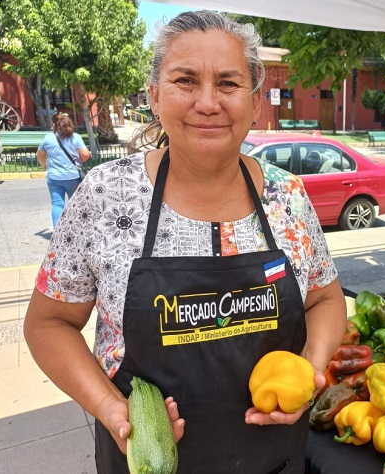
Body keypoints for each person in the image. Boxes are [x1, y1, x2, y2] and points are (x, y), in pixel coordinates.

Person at [24, 10, 347, 474]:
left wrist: (309, 373)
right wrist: (112, 409)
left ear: (255, 102)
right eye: (186, 80)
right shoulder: (105, 194)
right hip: (147, 459)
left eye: (230, 83)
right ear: (154, 96)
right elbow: (48, 324)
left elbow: (327, 300)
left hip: (273, 459)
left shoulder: (288, 198)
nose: (209, 102)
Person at [36, 114, 90, 227]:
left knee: (57, 204)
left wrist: (44, 166)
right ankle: (76, 229)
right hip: (73, 177)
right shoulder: (75, 137)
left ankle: (57, 232)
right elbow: (85, 155)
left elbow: (40, 154)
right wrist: (78, 160)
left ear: (55, 125)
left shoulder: (48, 138)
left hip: (54, 177)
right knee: (74, 204)